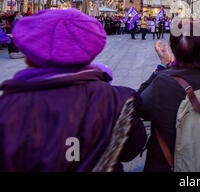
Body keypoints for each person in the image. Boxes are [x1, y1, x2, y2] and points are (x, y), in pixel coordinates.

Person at [0, 9, 146, 171]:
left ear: (28, 56)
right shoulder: (119, 101)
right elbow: (132, 150)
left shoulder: (7, 108)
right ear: (89, 53)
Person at [137, 19, 200, 172]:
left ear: (175, 49)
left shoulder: (164, 83)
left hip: (171, 163)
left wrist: (162, 66)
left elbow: (138, 104)